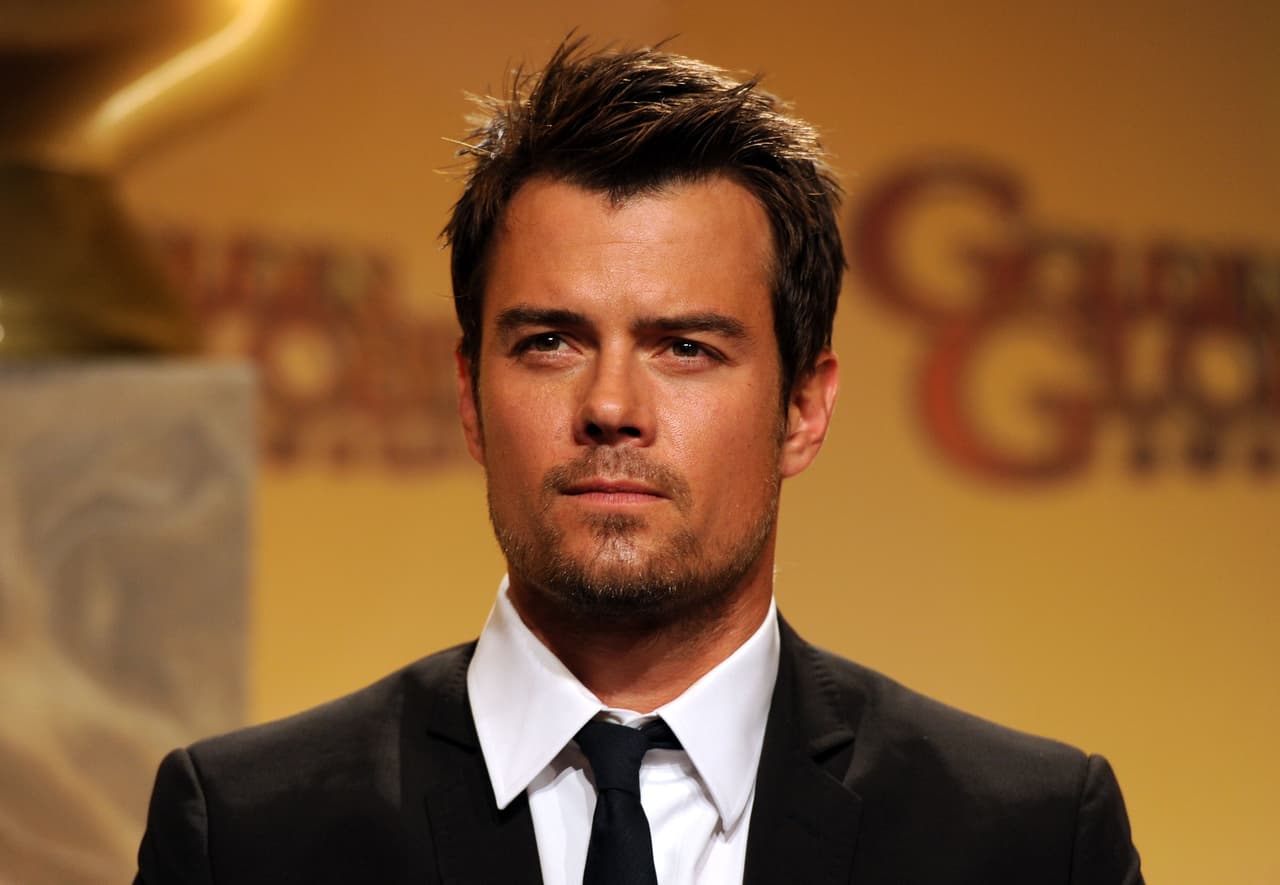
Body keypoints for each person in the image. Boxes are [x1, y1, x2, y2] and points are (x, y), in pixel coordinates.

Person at [134, 37, 1144, 884]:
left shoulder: (1025, 840)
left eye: (685, 348)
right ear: (470, 398)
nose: (610, 407)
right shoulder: (247, 835)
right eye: (549, 343)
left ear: (802, 408)